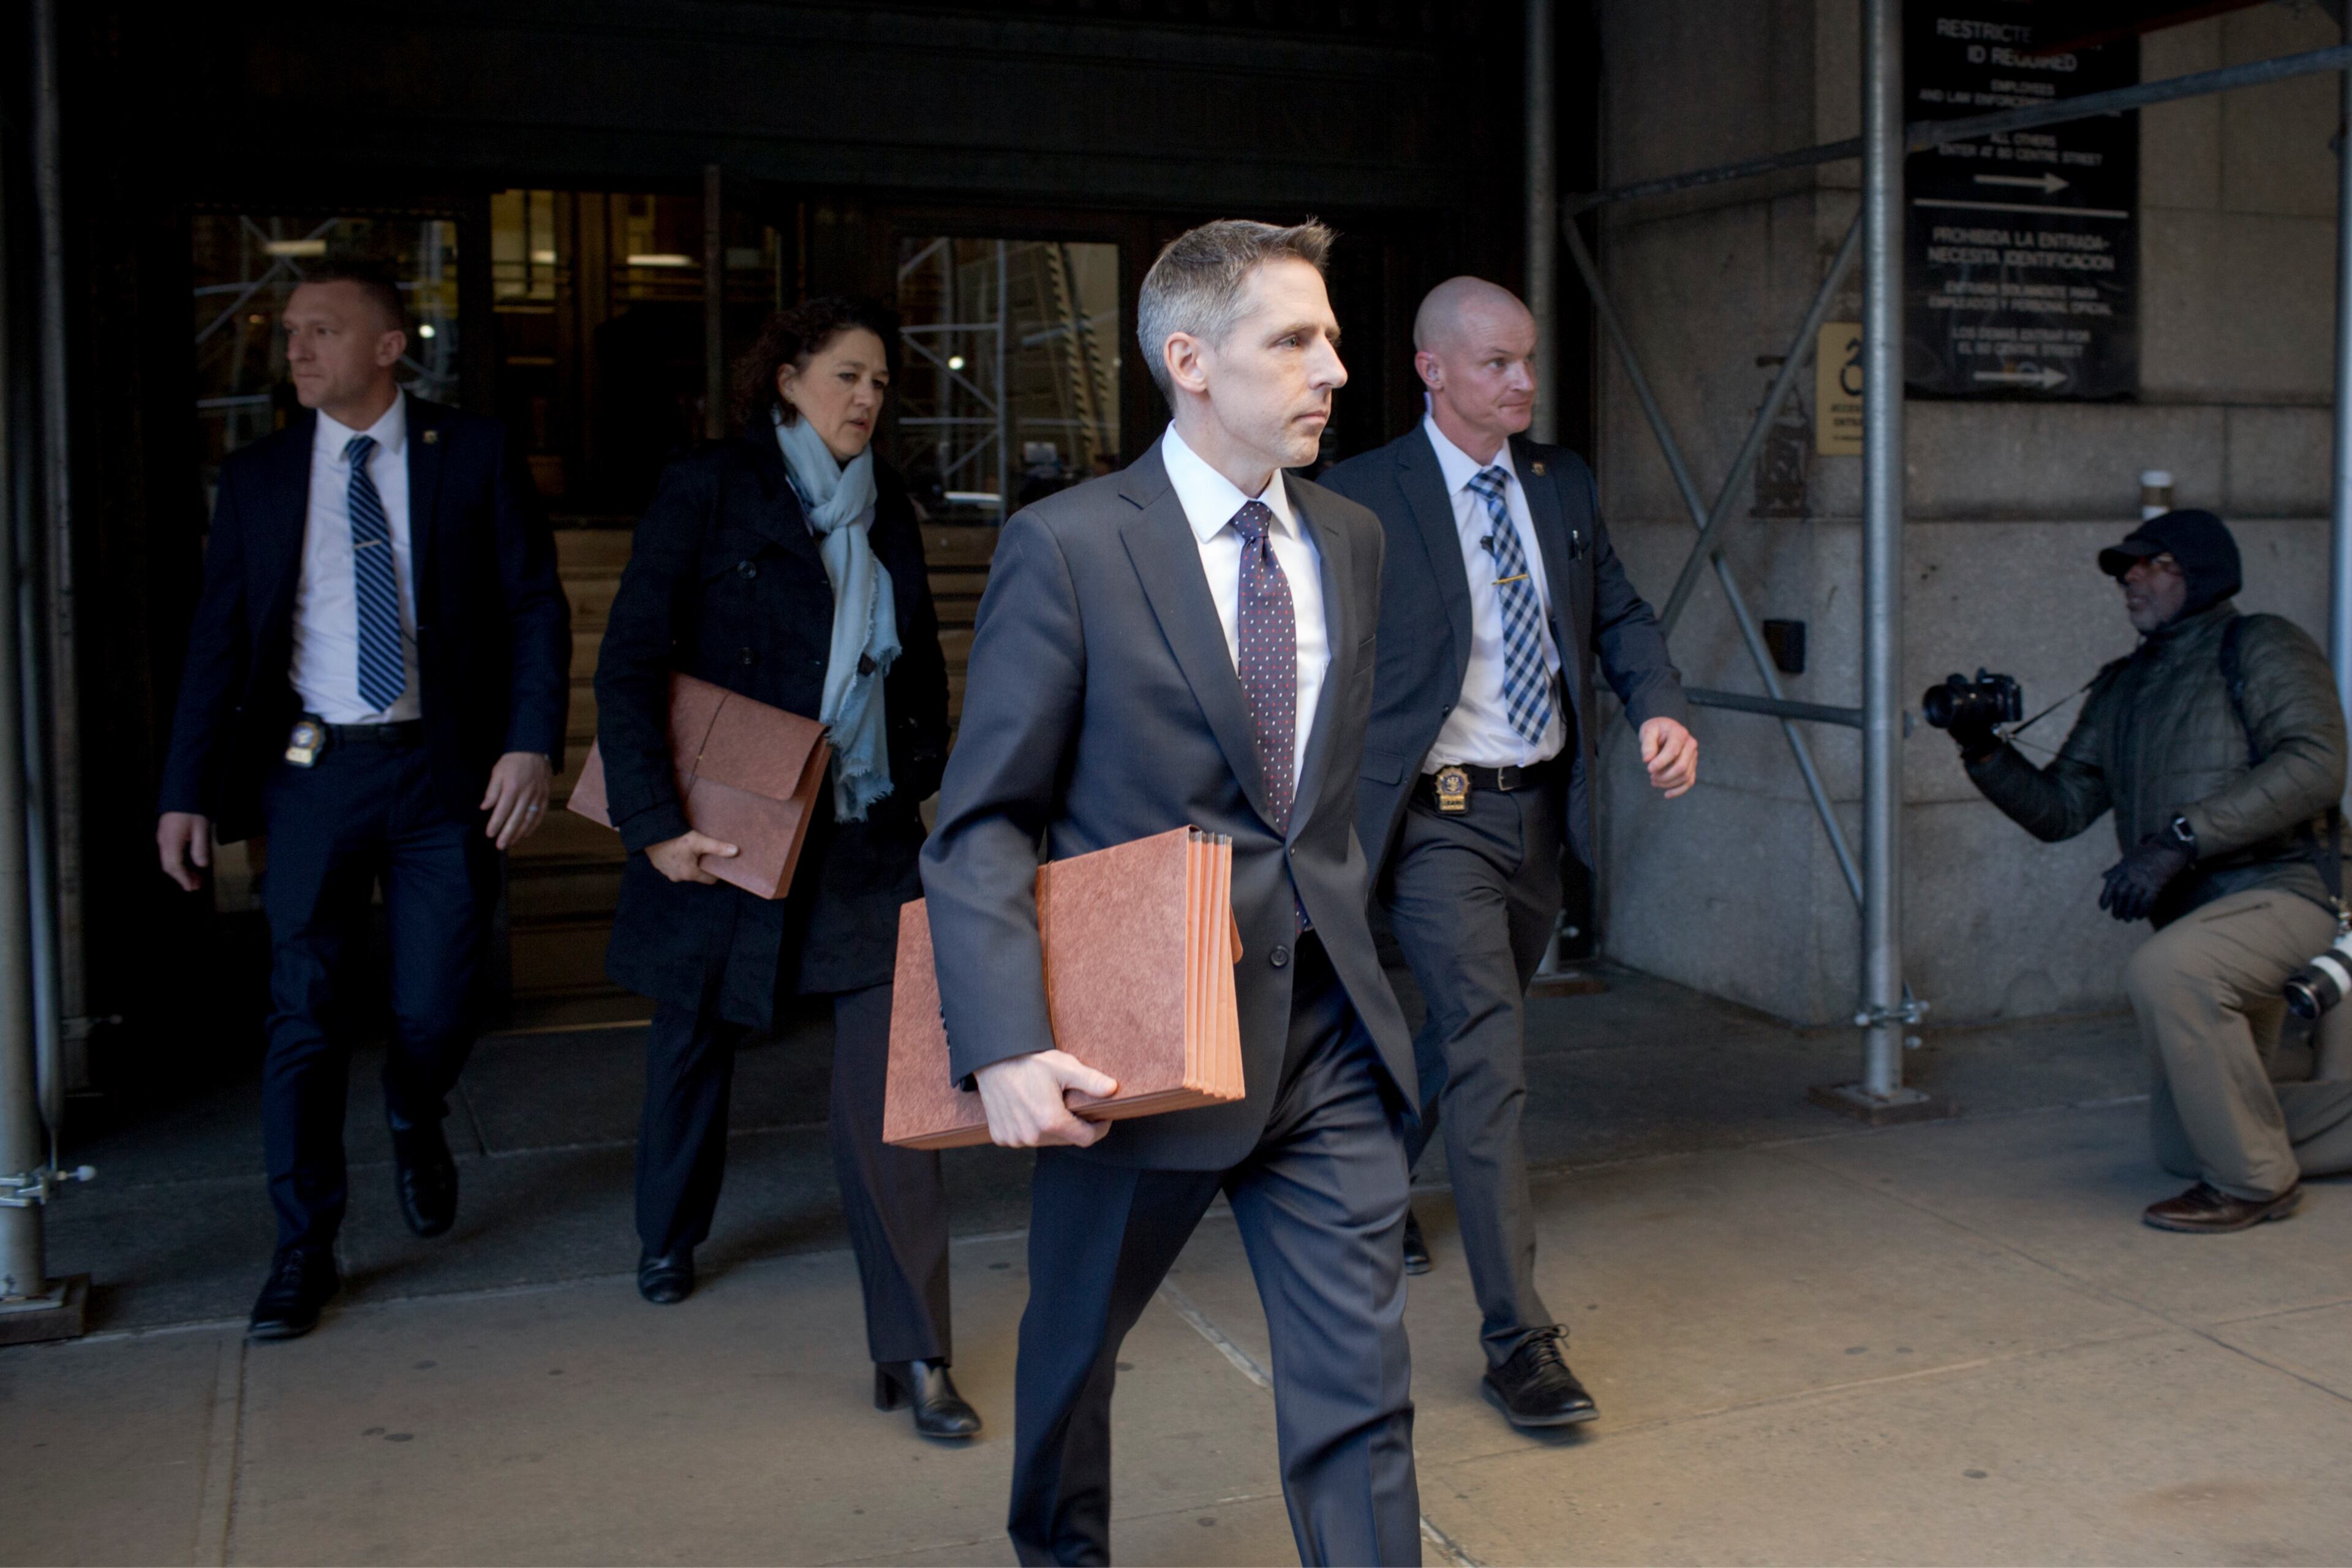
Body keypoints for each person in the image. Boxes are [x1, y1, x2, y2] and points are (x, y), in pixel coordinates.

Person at [922, 219, 1423, 1566]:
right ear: (1189, 359)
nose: (1334, 368)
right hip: (1133, 1050)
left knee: (1361, 1398)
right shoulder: (1072, 547)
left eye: (1331, 336)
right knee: (1072, 1353)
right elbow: (981, 822)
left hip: (1323, 1038)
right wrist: (1007, 1043)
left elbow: (1324, 799)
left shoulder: (1358, 541)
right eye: (1294, 340)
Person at [156, 258, 571, 1341]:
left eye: (321, 331)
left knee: (440, 1001)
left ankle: (415, 1104)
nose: (294, 350)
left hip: (444, 770)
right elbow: (216, 644)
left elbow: (534, 603)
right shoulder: (255, 478)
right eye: (289, 331)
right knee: (302, 1014)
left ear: (389, 347)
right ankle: (304, 1249)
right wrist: (185, 793)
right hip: (312, 774)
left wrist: (531, 745)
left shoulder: (470, 453)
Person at [591, 298, 970, 1438]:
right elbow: (629, 665)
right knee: (694, 1041)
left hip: (860, 839)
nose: (868, 399)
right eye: (849, 376)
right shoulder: (710, 487)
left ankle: (917, 1356)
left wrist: (922, 787)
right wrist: (655, 822)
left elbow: (918, 674)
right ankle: (668, 1232)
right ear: (789, 377)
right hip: (729, 829)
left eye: (882, 384)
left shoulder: (885, 506)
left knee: (893, 1098)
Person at [1321, 276, 1695, 1428]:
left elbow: (1618, 613)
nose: (1523, 383)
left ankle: (1369, 1185)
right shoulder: (1360, 495)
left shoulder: (1561, 482)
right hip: (1435, 823)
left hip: (1538, 814)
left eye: (1528, 362)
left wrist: (1658, 707)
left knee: (1465, 1033)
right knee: (1491, 1060)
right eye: (1497, 364)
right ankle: (1517, 1342)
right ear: (1434, 369)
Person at [1953, 508, 2352, 1231]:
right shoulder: (2124, 685)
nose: (2128, 578)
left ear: (2198, 572)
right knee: (2181, 1145)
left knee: (2169, 972)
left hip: (2293, 890)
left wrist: (2180, 838)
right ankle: (2250, 1150)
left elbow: (2317, 764)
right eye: (2123, 568)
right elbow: (2063, 809)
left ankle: (2258, 1184)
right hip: (2205, 920)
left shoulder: (2259, 643)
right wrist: (1983, 750)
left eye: (2149, 562)